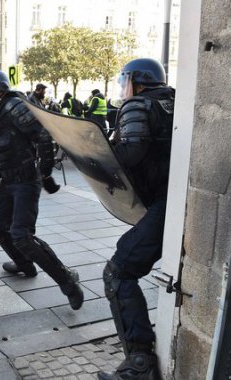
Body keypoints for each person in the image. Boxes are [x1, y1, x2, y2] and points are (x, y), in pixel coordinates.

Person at [0, 70, 84, 310]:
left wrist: (45, 173)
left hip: (25, 180)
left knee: (22, 236)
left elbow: (44, 135)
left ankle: (67, 281)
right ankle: (25, 265)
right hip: (8, 181)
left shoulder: (13, 106)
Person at [97, 58, 175, 380]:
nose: (122, 89)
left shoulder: (137, 105)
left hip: (165, 203)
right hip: (178, 197)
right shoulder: (174, 101)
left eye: (124, 81)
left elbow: (130, 153)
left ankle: (140, 364)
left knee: (118, 271)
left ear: (136, 81)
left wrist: (99, 154)